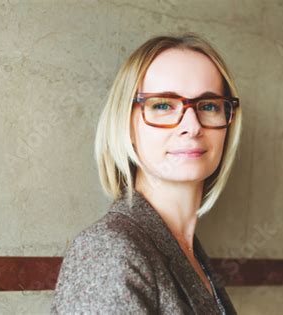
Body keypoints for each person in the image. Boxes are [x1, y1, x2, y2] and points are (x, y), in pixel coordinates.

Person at [51, 32, 242, 314]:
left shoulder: (190, 253)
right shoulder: (108, 251)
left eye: (209, 106)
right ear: (125, 122)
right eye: (163, 105)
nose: (192, 125)